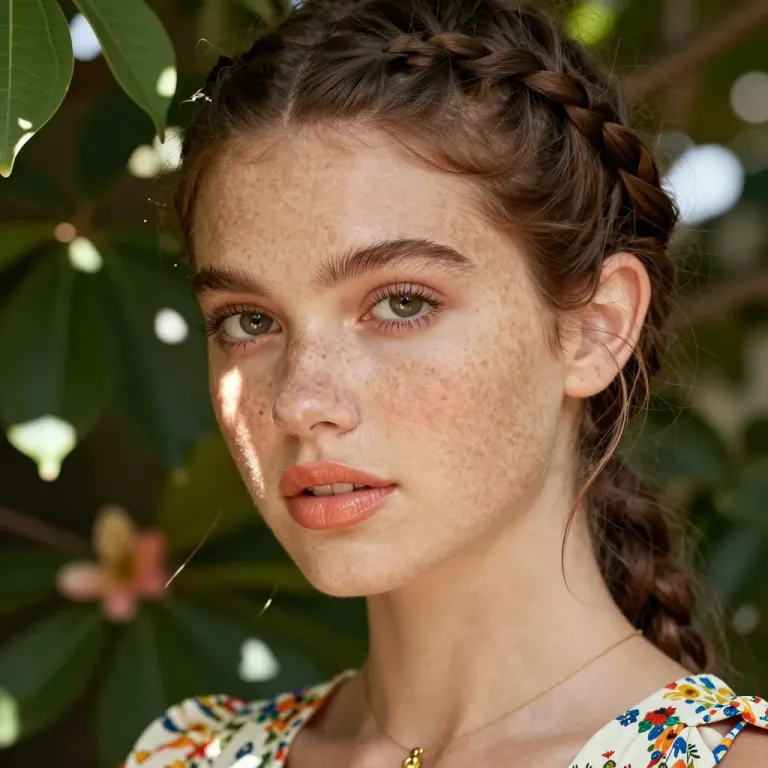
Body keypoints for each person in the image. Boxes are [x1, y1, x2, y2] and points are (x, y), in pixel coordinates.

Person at [124, 0, 768, 766]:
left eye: (402, 303)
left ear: (596, 328)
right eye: (249, 320)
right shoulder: (185, 756)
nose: (300, 400)